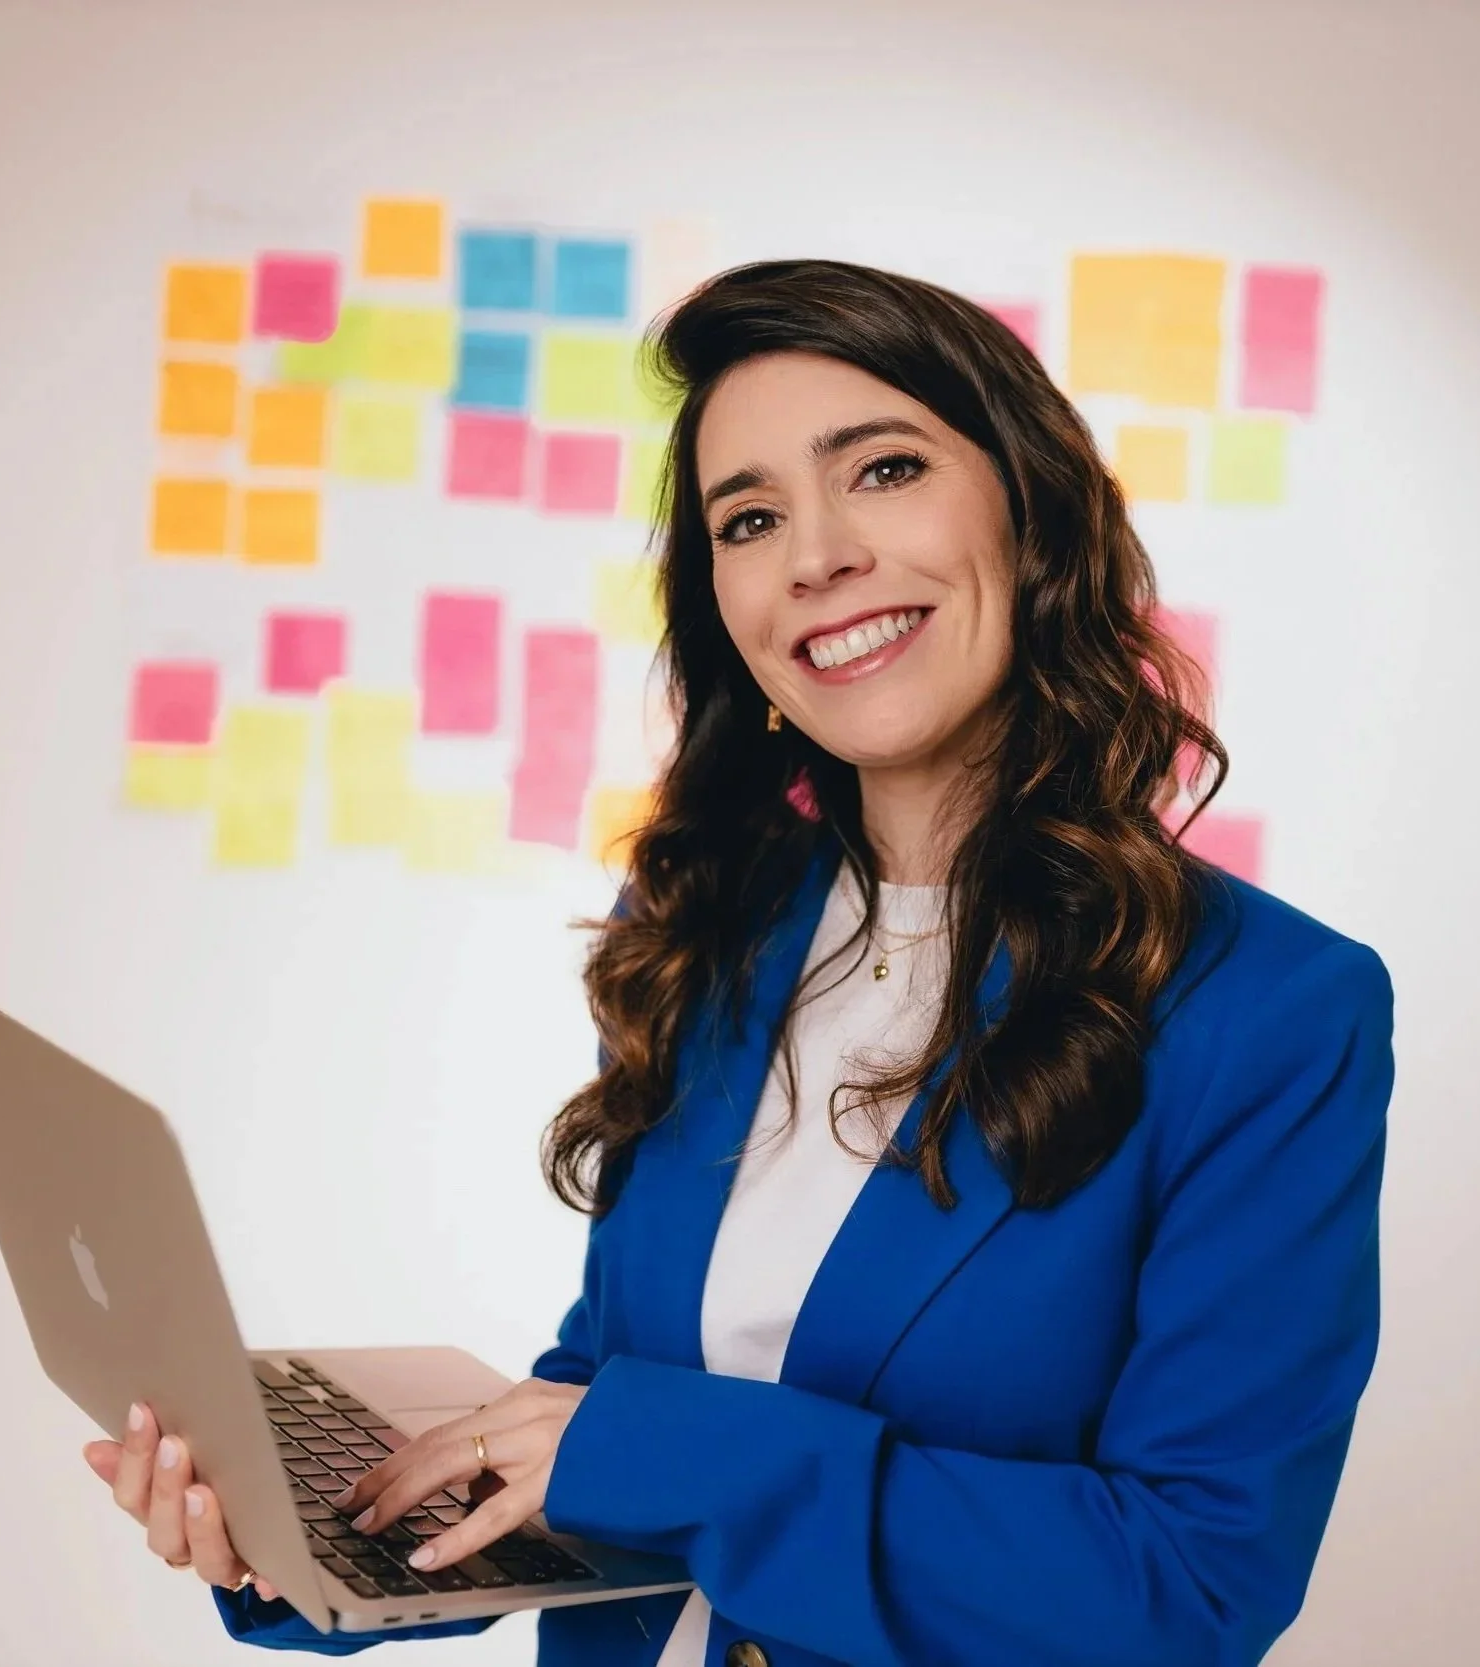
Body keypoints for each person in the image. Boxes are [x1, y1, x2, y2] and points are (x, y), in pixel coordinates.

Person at [83, 259, 1395, 1666]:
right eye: (749, 517)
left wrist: (662, 1451)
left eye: (883, 469)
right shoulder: (705, 932)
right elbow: (600, 1421)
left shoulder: (1266, 1010)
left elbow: (1187, 1589)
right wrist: (315, 1535)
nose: (814, 554)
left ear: (1029, 510)